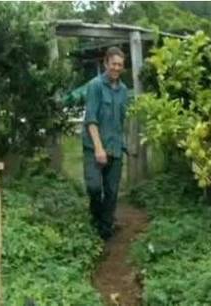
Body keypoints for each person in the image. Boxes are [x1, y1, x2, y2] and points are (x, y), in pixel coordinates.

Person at [82, 47, 128, 240]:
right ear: (106, 64)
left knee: (111, 191)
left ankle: (105, 230)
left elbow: (120, 121)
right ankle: (96, 218)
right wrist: (99, 148)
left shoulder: (124, 90)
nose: (116, 68)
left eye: (120, 65)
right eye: (113, 64)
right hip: (94, 147)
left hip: (115, 147)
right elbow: (91, 119)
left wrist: (124, 145)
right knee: (94, 187)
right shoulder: (95, 86)